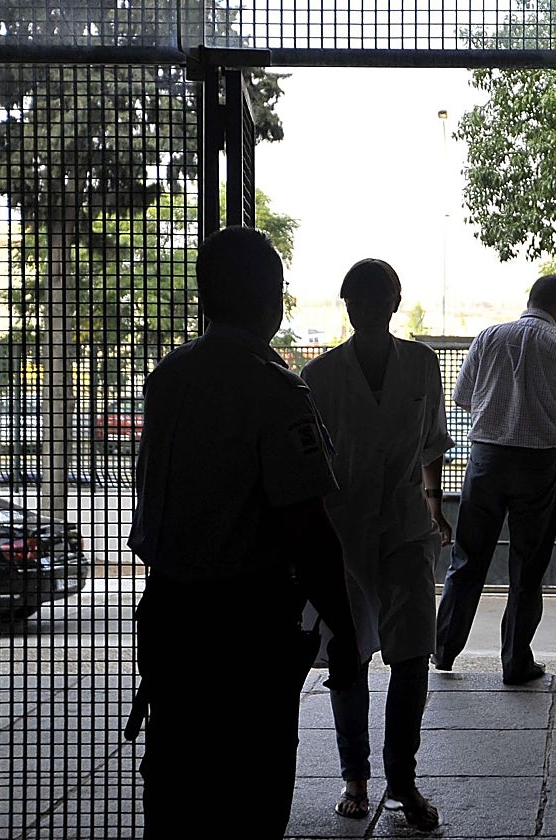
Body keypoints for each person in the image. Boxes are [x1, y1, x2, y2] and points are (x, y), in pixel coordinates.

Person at [125, 226, 359, 838]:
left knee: (177, 787)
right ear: (271, 299)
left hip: (172, 616)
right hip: (245, 628)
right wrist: (344, 630)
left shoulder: (169, 376)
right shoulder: (274, 388)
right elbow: (307, 527)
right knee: (250, 795)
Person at [300, 258, 451, 832]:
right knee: (348, 655)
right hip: (343, 531)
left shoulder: (422, 364)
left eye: (379, 297)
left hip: (407, 526)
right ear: (347, 305)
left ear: (394, 302)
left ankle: (402, 780)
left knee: (411, 654)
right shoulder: (319, 377)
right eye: (360, 298)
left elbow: (432, 442)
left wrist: (434, 507)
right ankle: (355, 777)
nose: (369, 307)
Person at [434, 274, 556, 686]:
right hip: (539, 466)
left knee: (467, 559)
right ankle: (515, 662)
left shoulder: (490, 336)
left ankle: (443, 651)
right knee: (527, 568)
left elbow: (462, 397)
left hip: (486, 460)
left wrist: (499, 407)